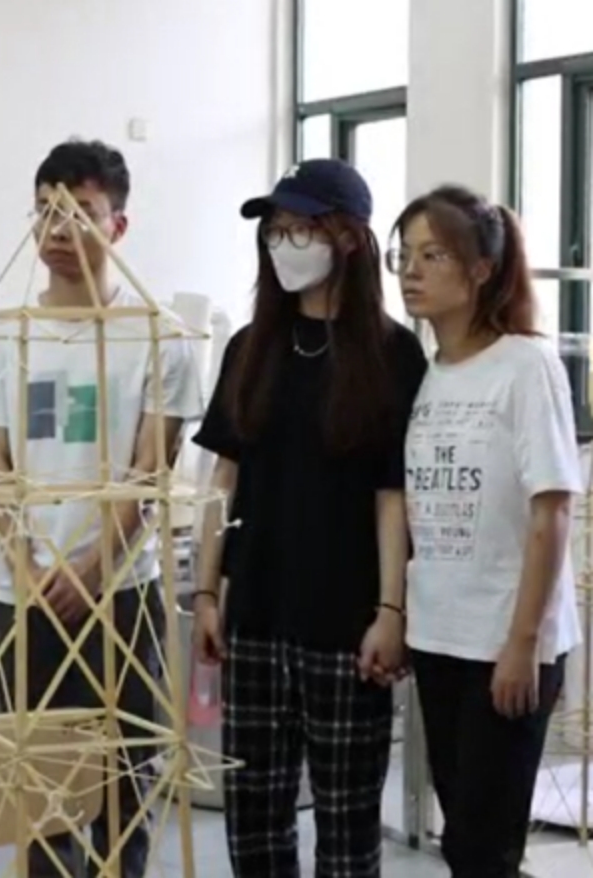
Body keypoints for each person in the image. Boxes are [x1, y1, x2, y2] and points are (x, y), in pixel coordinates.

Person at [0, 138, 205, 878]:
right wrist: (28, 565)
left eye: (80, 212)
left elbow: (151, 469)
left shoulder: (158, 335)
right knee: (40, 780)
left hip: (122, 590)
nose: (58, 229)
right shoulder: (2, 332)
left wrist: (94, 566)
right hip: (22, 591)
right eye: (45, 212)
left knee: (126, 772)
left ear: (117, 225)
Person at [190, 159, 427, 878]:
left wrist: (391, 610)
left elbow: (393, 496)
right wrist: (205, 591)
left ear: (348, 238)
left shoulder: (392, 354)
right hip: (255, 618)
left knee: (347, 825)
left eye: (301, 229)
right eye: (276, 231)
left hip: (347, 627)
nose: (283, 245)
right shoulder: (250, 348)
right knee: (254, 820)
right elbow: (222, 478)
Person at [392, 184, 583, 876]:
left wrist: (523, 644)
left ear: (480, 269)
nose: (411, 271)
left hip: (507, 642)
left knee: (485, 849)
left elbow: (552, 509)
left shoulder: (526, 365)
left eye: (433, 255)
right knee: (464, 841)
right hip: (440, 635)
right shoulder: (432, 375)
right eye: (404, 255)